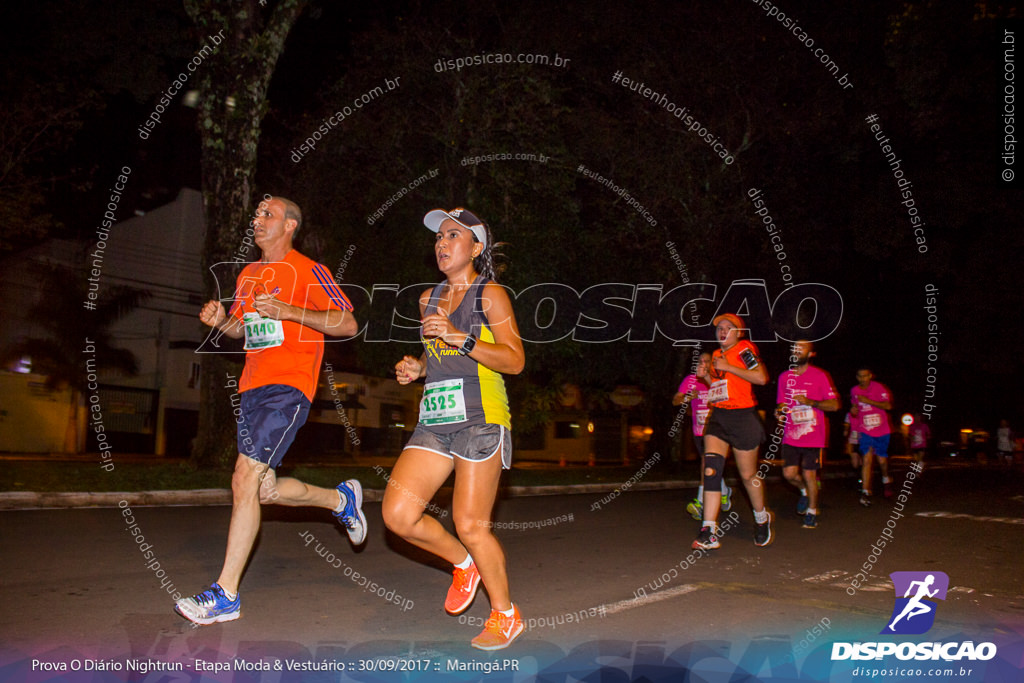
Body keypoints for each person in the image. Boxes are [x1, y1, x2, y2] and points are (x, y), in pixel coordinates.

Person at [176, 196, 366, 625]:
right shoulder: (248, 275)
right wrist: (222, 321)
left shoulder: (308, 269)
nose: (258, 221)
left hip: (290, 386)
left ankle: (225, 594)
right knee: (264, 491)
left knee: (244, 477)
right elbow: (247, 330)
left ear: (290, 226)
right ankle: (342, 499)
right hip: (254, 388)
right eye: (257, 215)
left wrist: (289, 310)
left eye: (268, 215)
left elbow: (348, 323)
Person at [382, 207, 525, 651]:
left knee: (470, 523)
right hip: (436, 421)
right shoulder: (427, 299)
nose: (442, 243)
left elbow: (515, 360)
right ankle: (464, 564)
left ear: (476, 248)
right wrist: (418, 367)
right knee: (398, 516)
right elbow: (438, 354)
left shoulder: (491, 295)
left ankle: (505, 614)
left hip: (481, 419)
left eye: (453, 236)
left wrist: (460, 337)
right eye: (439, 237)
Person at [692, 313, 771, 550]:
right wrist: (705, 375)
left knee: (748, 476)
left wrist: (729, 366)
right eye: (719, 328)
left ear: (739, 333)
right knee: (710, 470)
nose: (722, 331)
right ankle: (709, 530)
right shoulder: (717, 355)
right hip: (719, 417)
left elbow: (761, 378)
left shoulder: (745, 349)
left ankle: (761, 517)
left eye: (728, 327)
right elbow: (719, 388)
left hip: (743, 418)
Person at [775, 341, 840, 529]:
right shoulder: (785, 377)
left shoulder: (820, 376)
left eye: (801, 348)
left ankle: (812, 511)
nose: (796, 350)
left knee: (809, 473)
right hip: (791, 435)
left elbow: (834, 405)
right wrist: (779, 411)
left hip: (813, 435)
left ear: (811, 354)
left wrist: (812, 402)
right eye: (794, 347)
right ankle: (803, 490)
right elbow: (781, 403)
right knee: (788, 474)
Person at [673, 352, 732, 520]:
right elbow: (675, 400)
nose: (704, 364)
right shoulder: (691, 380)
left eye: (708, 361)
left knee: (707, 462)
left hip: (717, 431)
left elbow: (728, 402)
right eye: (701, 361)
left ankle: (700, 502)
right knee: (709, 466)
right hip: (698, 431)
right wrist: (687, 397)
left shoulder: (717, 380)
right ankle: (725, 491)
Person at [850, 368, 893, 506]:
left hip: (882, 430)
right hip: (866, 430)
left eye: (865, 376)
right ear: (857, 377)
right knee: (867, 459)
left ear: (870, 376)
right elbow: (855, 409)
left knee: (881, 461)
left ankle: (886, 479)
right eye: (860, 376)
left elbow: (888, 406)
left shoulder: (879, 387)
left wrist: (869, 401)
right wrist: (853, 412)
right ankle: (866, 492)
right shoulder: (854, 391)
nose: (863, 379)